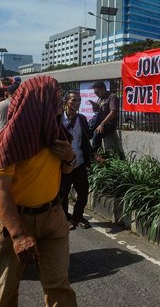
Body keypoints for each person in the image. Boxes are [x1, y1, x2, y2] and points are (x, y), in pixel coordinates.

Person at [0, 76, 78, 307]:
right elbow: (0, 192)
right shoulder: (6, 143)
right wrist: (18, 235)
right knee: (5, 290)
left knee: (59, 288)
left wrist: (69, 158)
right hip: (13, 222)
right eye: (54, 97)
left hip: (53, 218)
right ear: (38, 102)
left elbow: (65, 171)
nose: (59, 103)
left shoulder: (55, 135)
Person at [60, 90, 92, 230]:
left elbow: (86, 138)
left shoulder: (82, 119)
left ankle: (77, 217)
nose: (76, 103)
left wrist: (92, 155)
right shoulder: (58, 118)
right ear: (66, 101)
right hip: (62, 164)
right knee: (63, 193)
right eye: (73, 100)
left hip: (79, 162)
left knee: (83, 192)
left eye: (79, 100)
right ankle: (66, 218)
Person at [89, 81, 121, 154]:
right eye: (95, 93)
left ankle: (95, 154)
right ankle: (87, 152)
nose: (96, 94)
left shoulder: (112, 97)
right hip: (99, 122)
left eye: (97, 92)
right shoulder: (100, 99)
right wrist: (94, 106)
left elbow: (113, 112)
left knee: (97, 134)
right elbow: (97, 112)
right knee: (87, 131)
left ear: (103, 89)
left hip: (109, 124)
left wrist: (102, 124)